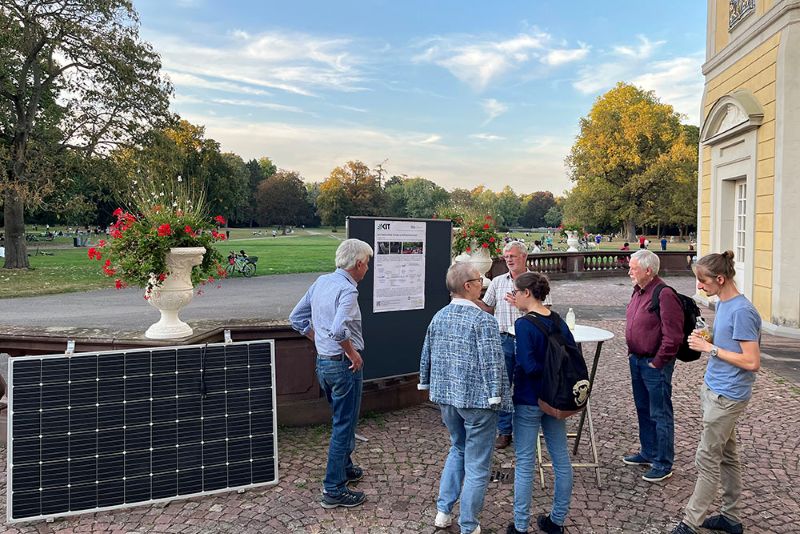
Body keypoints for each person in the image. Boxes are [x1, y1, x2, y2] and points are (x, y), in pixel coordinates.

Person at [671, 251, 761, 534]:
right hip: (715, 390)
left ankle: (690, 523)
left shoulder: (742, 311)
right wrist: (708, 337)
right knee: (727, 456)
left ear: (720, 279)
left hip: (727, 397)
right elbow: (729, 344)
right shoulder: (723, 304)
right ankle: (731, 519)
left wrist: (710, 348)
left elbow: (752, 361)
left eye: (703, 281)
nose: (699, 286)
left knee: (707, 458)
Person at [420, 262, 512, 534]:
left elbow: (426, 353)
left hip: (447, 398)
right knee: (478, 465)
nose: (482, 283)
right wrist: (497, 397)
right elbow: (493, 363)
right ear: (467, 286)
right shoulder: (483, 320)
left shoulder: (439, 316)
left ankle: (443, 511)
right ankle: (469, 525)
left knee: (458, 448)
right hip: (479, 402)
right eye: (479, 280)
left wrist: (426, 382)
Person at [289, 238, 374, 509]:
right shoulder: (348, 290)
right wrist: (352, 353)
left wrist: (318, 340)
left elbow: (296, 318)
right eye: (367, 263)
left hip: (324, 364)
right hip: (343, 367)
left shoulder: (322, 282)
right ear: (358, 264)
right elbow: (338, 330)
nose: (368, 268)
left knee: (341, 420)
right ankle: (333, 488)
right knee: (343, 425)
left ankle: (345, 468)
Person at [507, 272, 573, 534]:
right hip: (555, 398)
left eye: (516, 292)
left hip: (529, 398)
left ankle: (520, 526)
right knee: (561, 459)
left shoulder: (524, 325)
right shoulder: (557, 320)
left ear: (527, 293)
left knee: (525, 462)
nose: (514, 297)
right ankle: (556, 520)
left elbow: (527, 364)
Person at [476, 241, 551, 449]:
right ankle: (504, 431)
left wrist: (521, 306)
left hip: (530, 342)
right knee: (503, 385)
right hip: (504, 340)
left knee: (529, 384)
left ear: (524, 257)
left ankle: (529, 428)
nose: (509, 259)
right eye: (506, 256)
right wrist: (468, 298)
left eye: (513, 256)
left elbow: (547, 312)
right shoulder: (498, 282)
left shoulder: (536, 281)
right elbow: (488, 308)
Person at [623, 249, 684, 483]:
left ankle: (663, 462)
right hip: (637, 360)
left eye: (633, 268)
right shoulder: (638, 290)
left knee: (660, 413)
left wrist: (657, 362)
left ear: (648, 271)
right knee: (643, 408)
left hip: (654, 363)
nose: (629, 272)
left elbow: (673, 336)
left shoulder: (664, 294)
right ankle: (648, 452)